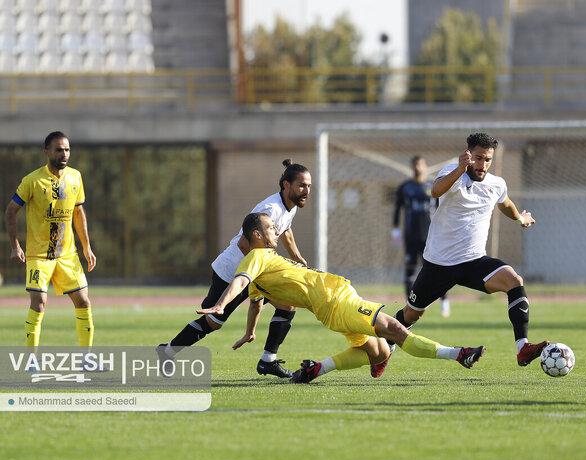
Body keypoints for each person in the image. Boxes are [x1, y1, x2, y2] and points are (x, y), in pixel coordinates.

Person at [197, 212, 487, 384]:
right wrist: (222, 304)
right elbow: (241, 281)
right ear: (258, 234)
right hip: (334, 300)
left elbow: (256, 299)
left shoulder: (265, 262)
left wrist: (250, 332)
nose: (277, 230)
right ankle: (459, 354)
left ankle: (315, 370)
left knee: (380, 353)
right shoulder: (256, 257)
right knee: (396, 330)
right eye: (272, 228)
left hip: (332, 304)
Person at [371, 132, 548, 378]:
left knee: (514, 281)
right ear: (467, 155)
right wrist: (460, 169)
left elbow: (504, 203)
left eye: (487, 159)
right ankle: (384, 350)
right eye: (478, 158)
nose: (482, 164)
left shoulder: (496, 184)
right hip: (439, 264)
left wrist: (520, 218)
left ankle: (523, 347)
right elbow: (435, 191)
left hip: (474, 261)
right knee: (412, 313)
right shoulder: (452, 172)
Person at [158, 159, 311, 378]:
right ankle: (168, 350)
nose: (306, 191)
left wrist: (297, 256)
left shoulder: (289, 206)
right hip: (231, 271)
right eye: (301, 185)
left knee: (288, 305)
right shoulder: (270, 209)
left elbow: (285, 230)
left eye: (308, 186)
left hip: (254, 273)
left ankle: (268, 360)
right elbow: (243, 244)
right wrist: (258, 278)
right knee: (213, 322)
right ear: (286, 185)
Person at [4, 131, 96, 348]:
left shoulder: (75, 177)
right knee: (39, 304)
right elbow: (10, 211)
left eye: (67, 150)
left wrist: (87, 247)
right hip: (39, 256)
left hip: (68, 254)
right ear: (46, 152)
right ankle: (31, 359)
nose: (64, 154)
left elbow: (78, 214)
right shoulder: (32, 180)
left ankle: (87, 358)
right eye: (59, 150)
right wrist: (15, 245)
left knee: (83, 301)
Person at [393, 155, 450, 317]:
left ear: (425, 166)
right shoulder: (405, 187)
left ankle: (445, 302)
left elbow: (441, 210)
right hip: (411, 236)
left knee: (436, 271)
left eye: (420, 164)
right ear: (412, 167)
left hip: (431, 238)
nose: (418, 167)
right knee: (409, 271)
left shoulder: (433, 186)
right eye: (415, 164)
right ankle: (408, 306)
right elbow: (398, 209)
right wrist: (396, 231)